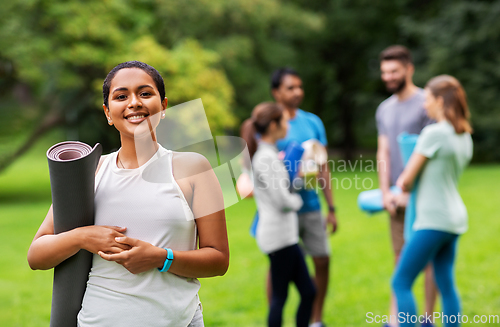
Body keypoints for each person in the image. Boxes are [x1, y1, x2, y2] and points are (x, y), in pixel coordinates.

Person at [27, 61, 229, 327]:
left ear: (164, 106)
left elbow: (218, 259)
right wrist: (82, 237)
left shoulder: (193, 168)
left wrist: (161, 258)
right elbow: (36, 255)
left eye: (145, 93)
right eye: (121, 96)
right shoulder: (91, 173)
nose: (134, 102)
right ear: (108, 113)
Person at [392, 75, 473, 326]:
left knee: (401, 281)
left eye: (427, 99)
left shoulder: (434, 133)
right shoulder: (464, 135)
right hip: (454, 218)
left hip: (433, 220)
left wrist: (397, 190)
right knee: (446, 284)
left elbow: (406, 180)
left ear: (440, 100)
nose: (424, 105)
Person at [376, 45, 437, 326]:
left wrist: (411, 192)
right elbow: (383, 152)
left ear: (409, 69)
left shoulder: (428, 102)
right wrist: (387, 192)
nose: (388, 76)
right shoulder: (384, 109)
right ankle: (395, 320)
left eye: (394, 71)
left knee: (427, 260)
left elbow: (433, 150)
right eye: (385, 72)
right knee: (400, 257)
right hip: (396, 199)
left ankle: (427, 318)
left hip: (425, 197)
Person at [271, 68, 336, 327]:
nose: (298, 92)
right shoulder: (269, 122)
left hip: (310, 206)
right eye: (290, 87)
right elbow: (256, 165)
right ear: (276, 92)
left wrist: (332, 207)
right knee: (278, 267)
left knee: (322, 259)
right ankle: (275, 316)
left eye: (300, 86)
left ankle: (315, 320)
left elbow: (323, 167)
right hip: (280, 210)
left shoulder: (313, 122)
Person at [243, 101, 316, 327]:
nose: (288, 125)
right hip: (278, 239)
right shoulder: (265, 158)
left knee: (308, 292)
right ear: (273, 125)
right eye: (284, 121)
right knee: (281, 297)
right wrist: (297, 199)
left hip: (285, 237)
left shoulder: (270, 155)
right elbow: (282, 200)